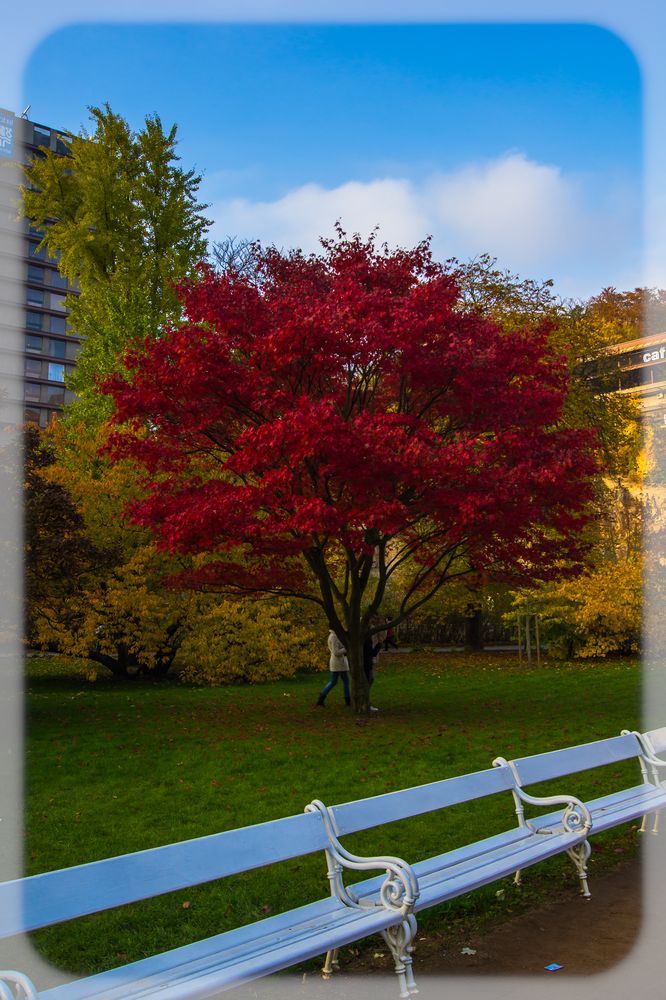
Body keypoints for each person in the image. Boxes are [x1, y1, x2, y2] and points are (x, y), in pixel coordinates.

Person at [316, 630, 351, 706]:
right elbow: (336, 652)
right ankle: (348, 700)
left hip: (338, 662)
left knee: (334, 681)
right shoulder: (334, 637)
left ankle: (321, 698)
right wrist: (346, 648)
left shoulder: (335, 635)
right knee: (345, 681)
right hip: (339, 663)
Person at [363, 633, 383, 712]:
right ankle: (366, 703)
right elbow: (373, 653)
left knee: (370, 680)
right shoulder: (366, 642)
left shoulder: (364, 641)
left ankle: (365, 702)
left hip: (367, 664)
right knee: (368, 682)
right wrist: (379, 644)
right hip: (366, 665)